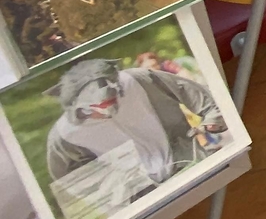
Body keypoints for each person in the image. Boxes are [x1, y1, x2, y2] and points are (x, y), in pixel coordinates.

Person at [44, 57, 226, 194]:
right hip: (140, 194)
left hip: (190, 161)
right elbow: (68, 179)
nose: (109, 110)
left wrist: (213, 119)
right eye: (99, 108)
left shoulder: (137, 80)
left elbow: (190, 90)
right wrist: (110, 188)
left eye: (114, 99)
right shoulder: (64, 135)